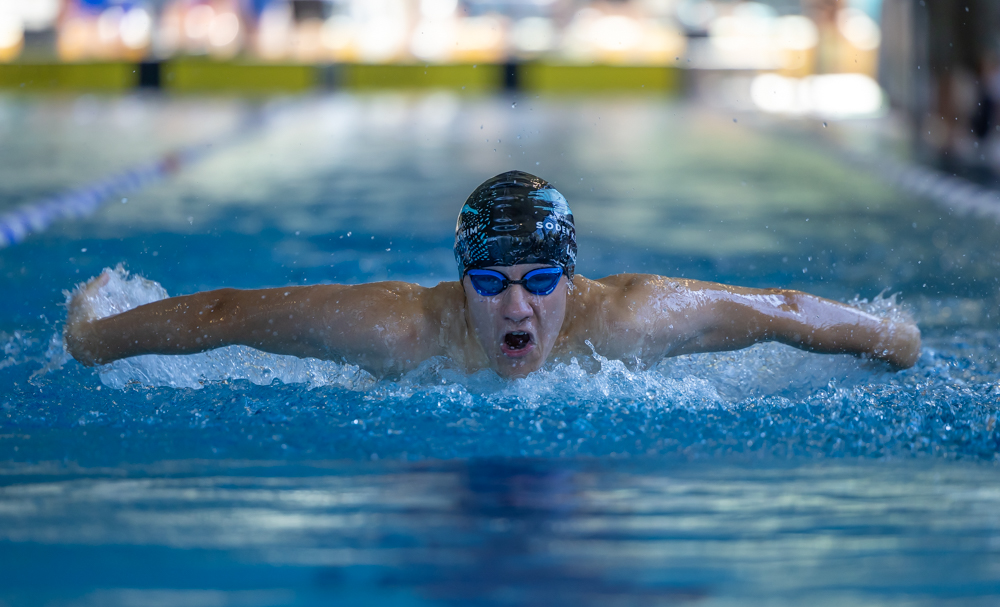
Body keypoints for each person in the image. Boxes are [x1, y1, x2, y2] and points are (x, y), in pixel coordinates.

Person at [64, 171, 921, 379]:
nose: (516, 306)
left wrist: (890, 337)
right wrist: (93, 338)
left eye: (541, 281)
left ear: (572, 280)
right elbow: (228, 313)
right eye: (491, 282)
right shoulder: (402, 328)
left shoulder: (630, 318)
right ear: (460, 281)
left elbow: (777, 308)